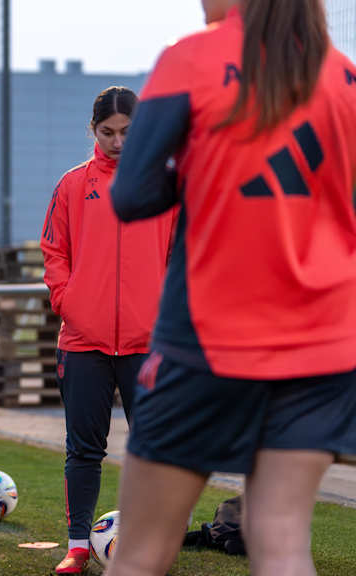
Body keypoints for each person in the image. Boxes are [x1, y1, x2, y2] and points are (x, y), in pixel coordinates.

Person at [108, 1, 356, 574]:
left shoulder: (191, 58)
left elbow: (133, 194)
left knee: (141, 556)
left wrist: (201, 165)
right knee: (284, 544)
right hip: (322, 347)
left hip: (210, 340)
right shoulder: (342, 72)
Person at [39, 86, 175, 574]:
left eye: (128, 133)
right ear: (93, 131)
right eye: (108, 133)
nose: (118, 142)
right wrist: (68, 302)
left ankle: (154, 548)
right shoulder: (72, 185)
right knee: (83, 449)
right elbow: (54, 252)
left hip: (149, 344)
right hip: (82, 342)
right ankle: (77, 546)